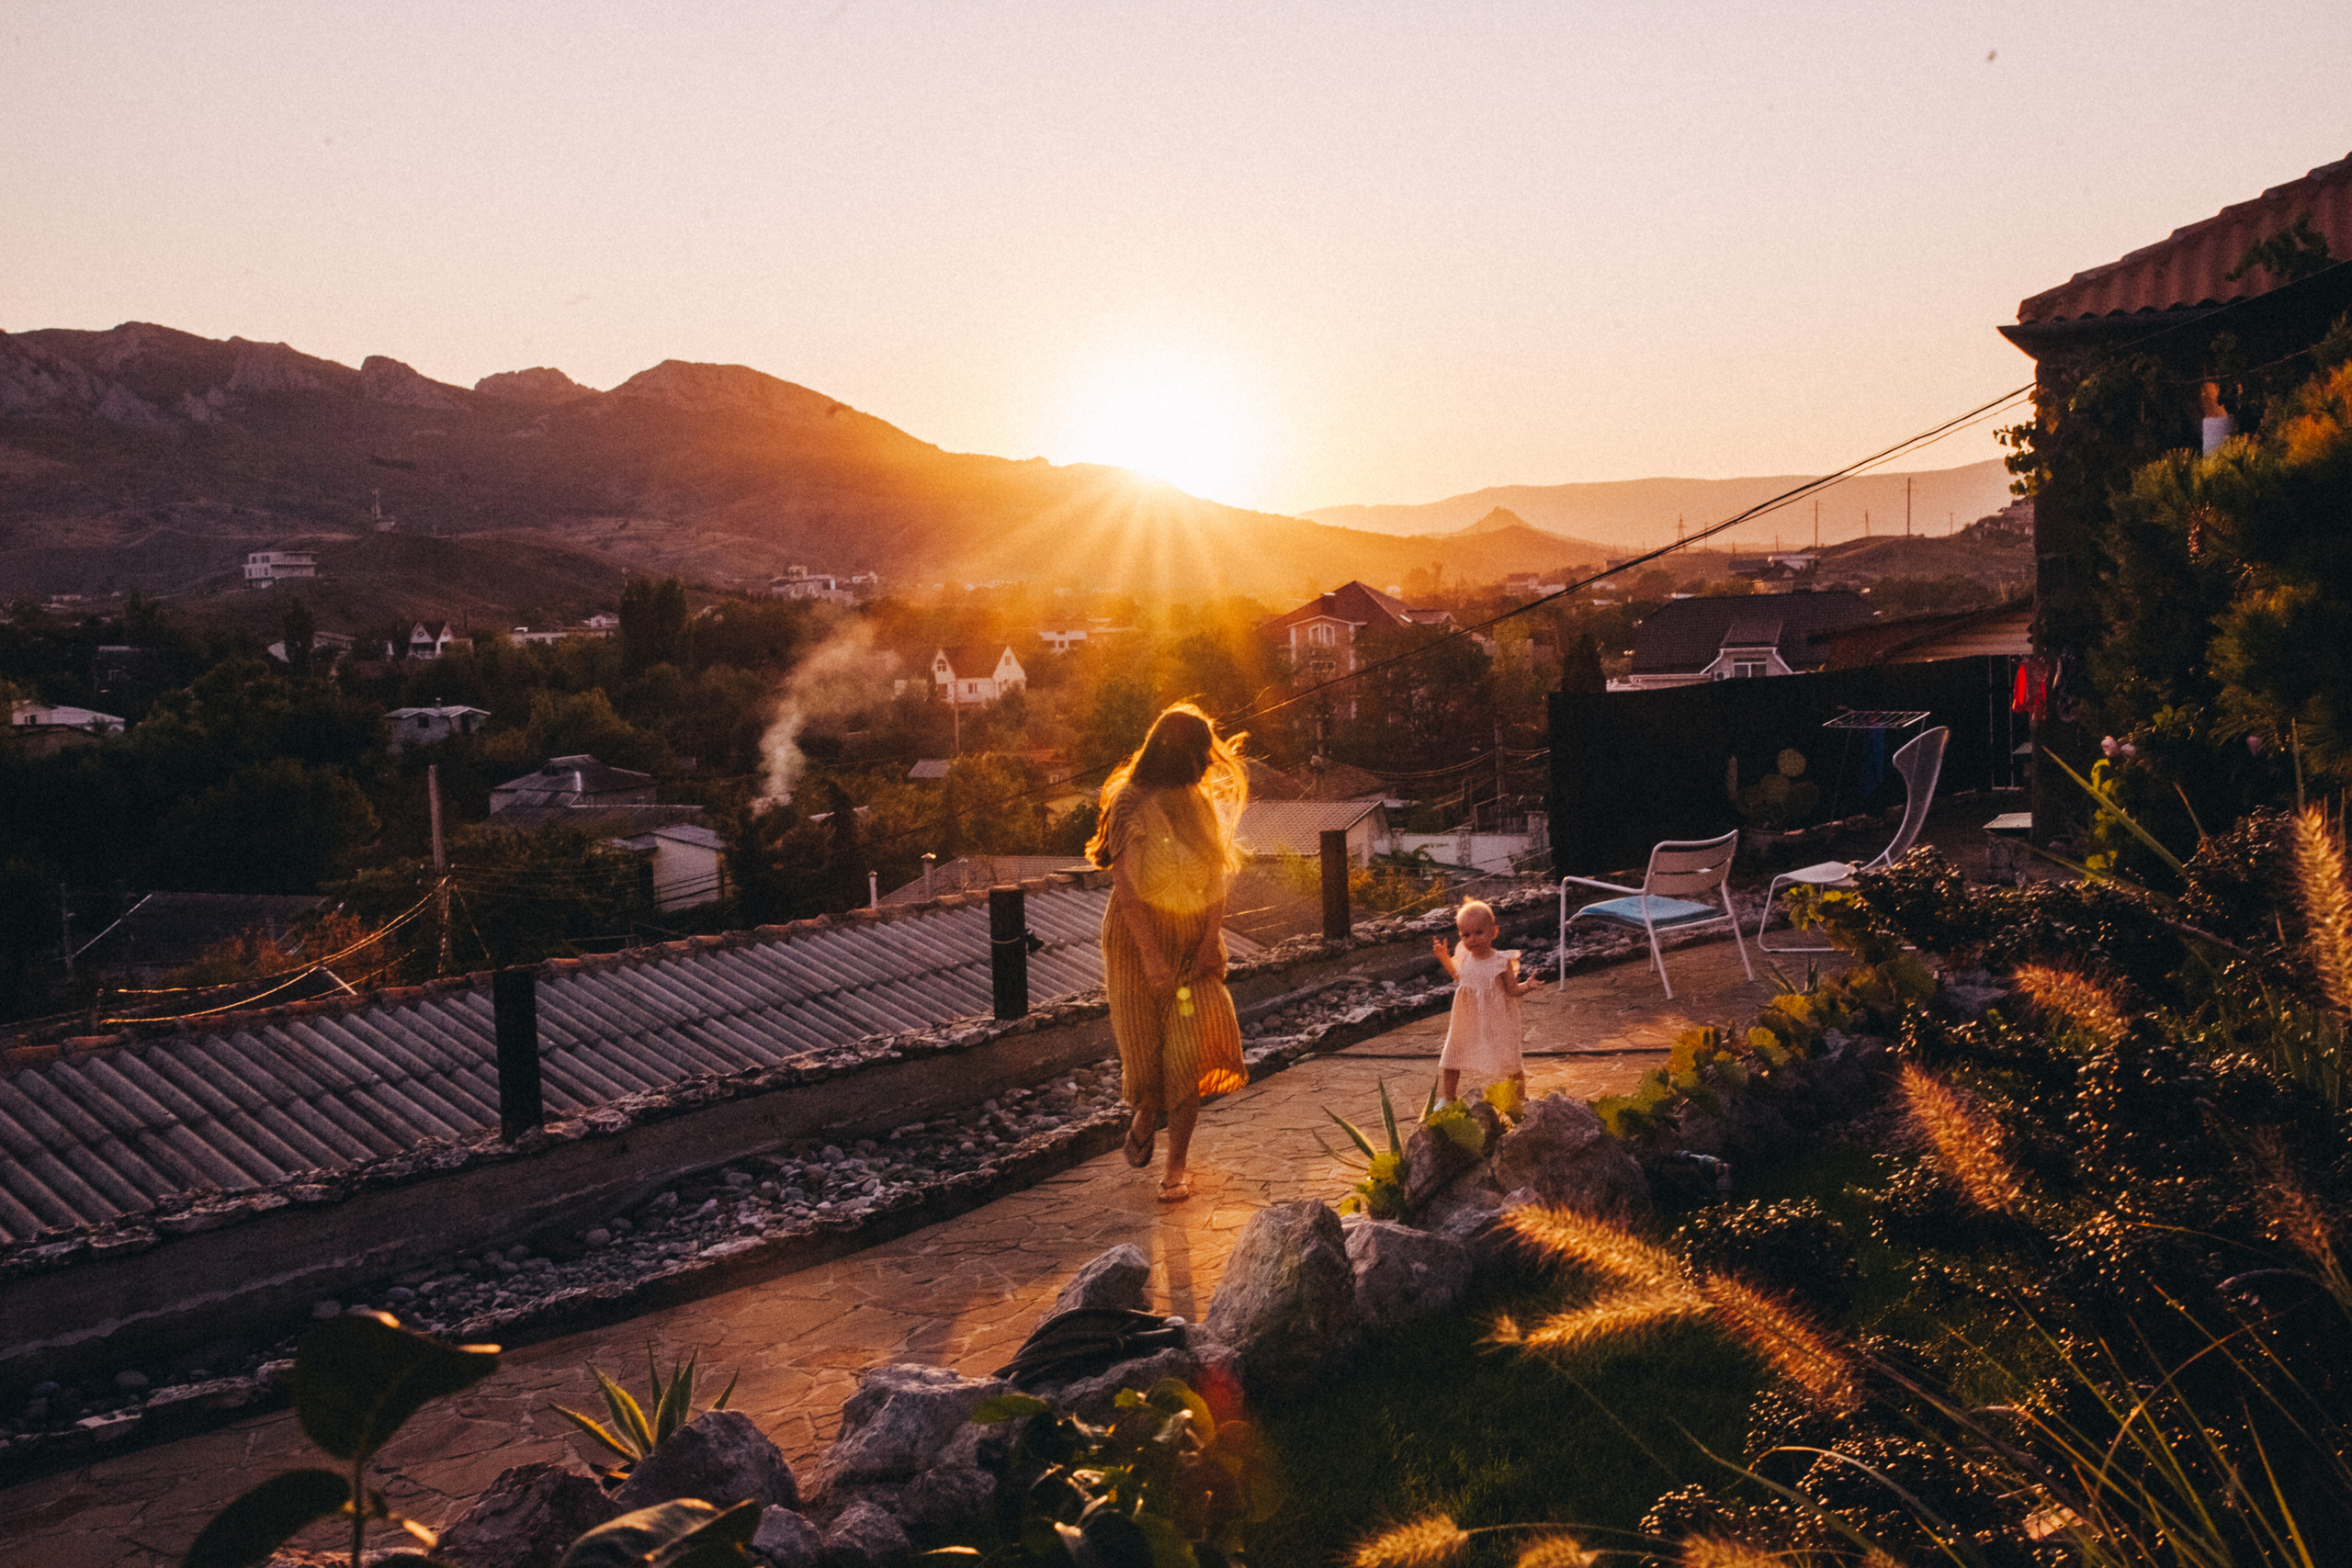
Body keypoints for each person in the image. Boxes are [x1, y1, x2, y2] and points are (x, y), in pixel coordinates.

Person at [1088, 703, 1250, 1201]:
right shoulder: (1129, 803)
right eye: (1201, 753)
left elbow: (1217, 876)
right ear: (1177, 751)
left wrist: (1208, 942)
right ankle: (1146, 1106)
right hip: (1138, 948)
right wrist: (1154, 959)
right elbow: (1130, 893)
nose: (1207, 763)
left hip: (1194, 944)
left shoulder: (1196, 800)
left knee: (1187, 1059)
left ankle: (1175, 1169)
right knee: (1148, 1066)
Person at [1432, 897, 1544, 1105]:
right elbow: (1459, 976)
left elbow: (1511, 990)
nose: (1472, 939)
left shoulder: (1500, 961)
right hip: (1466, 1019)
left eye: (1478, 933)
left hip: (1496, 1018)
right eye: (1466, 935)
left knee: (1511, 1059)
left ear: (1494, 932)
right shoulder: (1464, 955)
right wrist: (1444, 958)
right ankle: (1448, 1098)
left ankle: (1520, 1100)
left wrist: (1527, 986)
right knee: (1453, 1055)